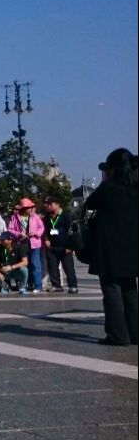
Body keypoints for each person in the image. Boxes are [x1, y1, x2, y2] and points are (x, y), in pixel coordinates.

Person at [83, 148, 138, 346]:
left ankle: (118, 335)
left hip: (110, 246)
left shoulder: (108, 188)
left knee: (112, 289)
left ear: (113, 168)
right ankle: (135, 333)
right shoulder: (135, 186)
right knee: (130, 289)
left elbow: (90, 203)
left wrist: (106, 180)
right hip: (132, 246)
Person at [8, 198, 45, 293]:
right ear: (23, 208)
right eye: (28, 207)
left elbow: (41, 228)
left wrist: (35, 233)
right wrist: (19, 233)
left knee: (35, 264)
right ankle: (25, 284)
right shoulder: (15, 217)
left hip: (34, 243)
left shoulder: (35, 217)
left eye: (31, 207)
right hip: (21, 243)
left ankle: (38, 285)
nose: (30, 209)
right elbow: (10, 229)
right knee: (24, 265)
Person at [42, 195, 77, 294]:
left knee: (68, 267)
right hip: (52, 246)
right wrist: (46, 238)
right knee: (52, 267)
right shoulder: (47, 216)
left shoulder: (66, 215)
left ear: (57, 204)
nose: (48, 206)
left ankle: (73, 286)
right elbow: (45, 230)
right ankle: (56, 286)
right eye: (46, 204)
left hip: (65, 247)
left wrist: (71, 246)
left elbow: (71, 232)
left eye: (50, 204)